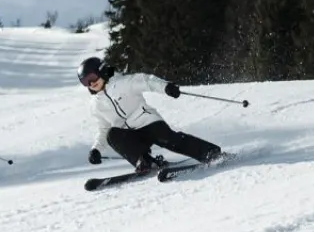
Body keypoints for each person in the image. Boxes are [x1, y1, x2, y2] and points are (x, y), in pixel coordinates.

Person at [77, 56, 224, 174]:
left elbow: (147, 81)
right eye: (85, 82)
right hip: (131, 136)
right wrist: (96, 149)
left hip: (148, 123)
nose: (91, 83)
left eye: (92, 77)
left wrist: (166, 87)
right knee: (111, 134)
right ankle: (145, 162)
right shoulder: (96, 105)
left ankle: (210, 153)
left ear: (101, 71)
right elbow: (103, 129)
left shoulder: (123, 83)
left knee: (171, 140)